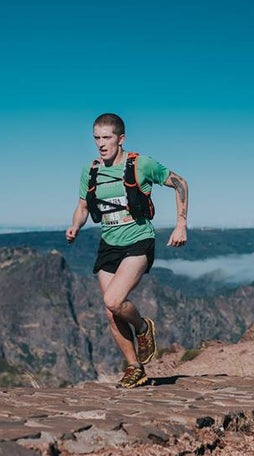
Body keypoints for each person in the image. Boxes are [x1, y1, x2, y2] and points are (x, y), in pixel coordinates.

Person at [66, 113, 189, 388]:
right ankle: (135, 368)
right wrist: (74, 226)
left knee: (113, 300)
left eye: (106, 137)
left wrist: (181, 224)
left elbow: (180, 182)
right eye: (96, 138)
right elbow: (83, 206)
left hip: (139, 240)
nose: (101, 143)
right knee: (111, 312)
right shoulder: (91, 171)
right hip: (109, 244)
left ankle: (143, 328)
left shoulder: (141, 164)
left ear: (120, 139)